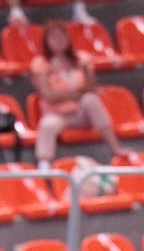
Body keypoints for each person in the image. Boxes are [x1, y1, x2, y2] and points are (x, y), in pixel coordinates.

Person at [31, 23, 121, 171]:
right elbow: (49, 95)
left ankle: (115, 148)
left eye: (61, 36)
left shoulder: (82, 59)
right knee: (47, 124)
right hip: (57, 113)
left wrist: (85, 71)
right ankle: (44, 165)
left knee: (91, 100)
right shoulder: (41, 63)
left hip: (80, 113)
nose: (58, 41)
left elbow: (91, 89)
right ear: (46, 42)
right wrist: (78, 94)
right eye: (53, 37)